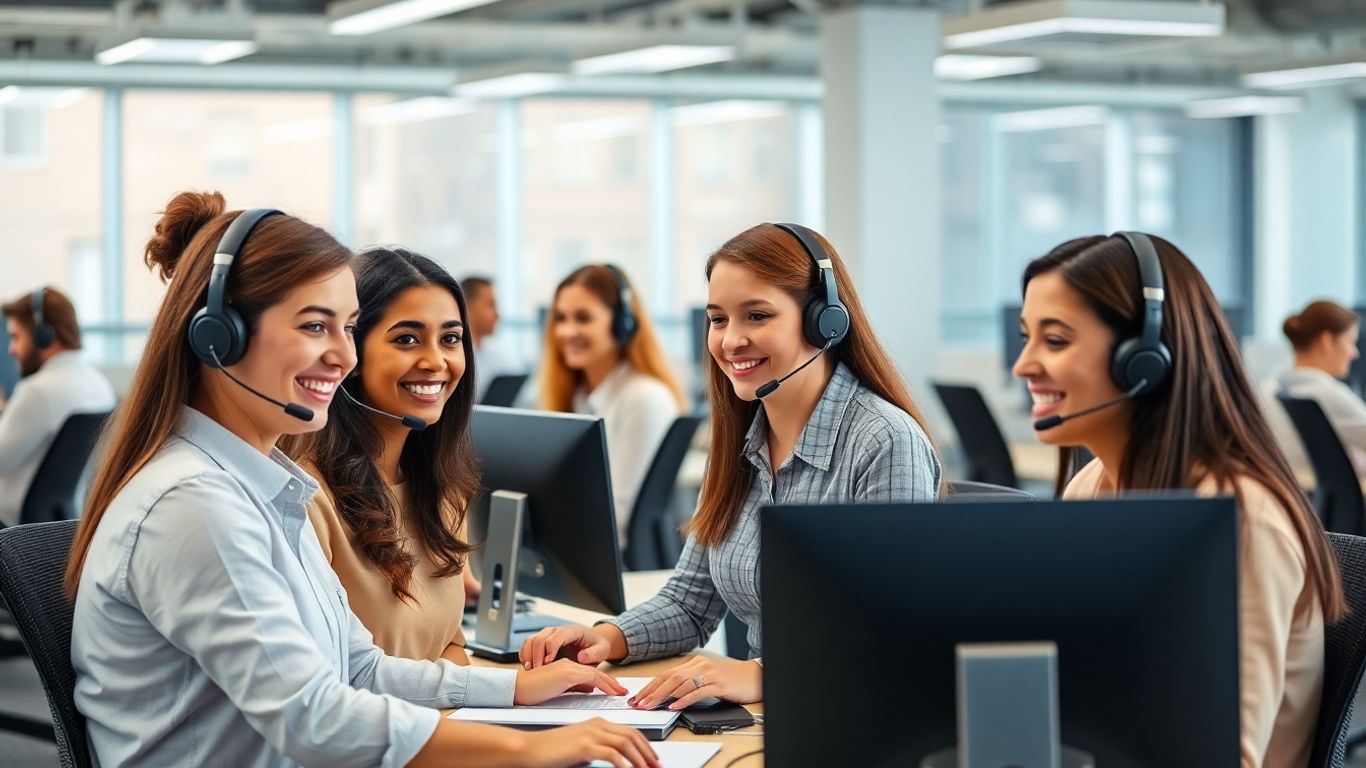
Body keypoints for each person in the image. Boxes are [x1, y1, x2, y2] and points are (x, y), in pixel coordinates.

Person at [67, 190, 658, 768]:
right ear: (218, 336)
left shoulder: (265, 489)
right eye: (315, 326)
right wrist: (525, 749)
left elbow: (360, 669)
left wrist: (515, 693)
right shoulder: (194, 505)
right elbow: (313, 718)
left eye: (348, 328)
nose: (344, 357)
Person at [520, 223, 942, 711]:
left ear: (825, 321)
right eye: (718, 320)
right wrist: (605, 638)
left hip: (856, 714)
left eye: (757, 316)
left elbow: (890, 634)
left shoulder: (884, 441)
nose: (731, 340)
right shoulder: (744, 441)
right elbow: (688, 603)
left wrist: (761, 673)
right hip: (771, 716)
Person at [1012, 232, 1345, 768]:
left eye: (1054, 341)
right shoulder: (1092, 486)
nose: (1023, 365)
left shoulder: (1240, 521)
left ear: (1144, 359)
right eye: (1026, 337)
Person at [285, 247, 482, 663]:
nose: (436, 361)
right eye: (407, 339)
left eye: (450, 339)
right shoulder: (305, 498)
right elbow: (326, 685)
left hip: (436, 724)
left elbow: (450, 645)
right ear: (351, 352)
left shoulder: (444, 492)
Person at [537, 264, 685, 545]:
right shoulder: (577, 398)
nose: (567, 331)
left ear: (622, 322)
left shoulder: (644, 398)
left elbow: (617, 518)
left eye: (583, 318)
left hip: (619, 565)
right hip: (579, 553)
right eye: (561, 318)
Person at [0, 286, 115, 526]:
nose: (11, 349)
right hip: (60, 523)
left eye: (16, 337)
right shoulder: (99, 384)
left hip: (11, 527)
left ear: (45, 336)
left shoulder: (37, 391)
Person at [1260, 299, 1366, 474]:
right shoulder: (1326, 393)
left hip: (1291, 489)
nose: (1355, 353)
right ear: (1326, 341)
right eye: (1350, 342)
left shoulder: (1269, 387)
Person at [460, 275, 523, 402]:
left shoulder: (497, 354)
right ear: (467, 307)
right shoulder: (456, 357)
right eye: (491, 305)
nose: (497, 315)